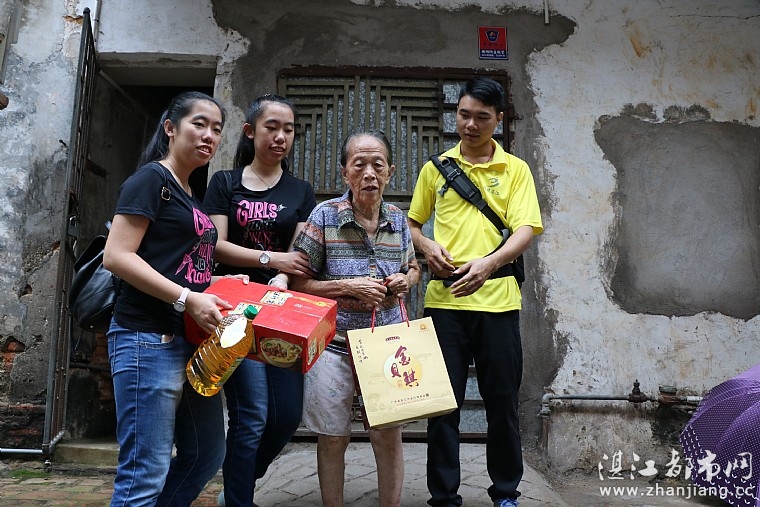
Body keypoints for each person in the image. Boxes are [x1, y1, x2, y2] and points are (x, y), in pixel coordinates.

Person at [407, 76, 543, 507]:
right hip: (444, 302)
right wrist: (426, 245)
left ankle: (505, 492)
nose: (470, 125)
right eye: (463, 115)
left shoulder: (515, 169)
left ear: (498, 120)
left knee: (502, 403)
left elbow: (525, 229)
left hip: (499, 303)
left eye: (481, 117)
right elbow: (411, 223)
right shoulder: (436, 168)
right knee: (441, 405)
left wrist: (489, 263)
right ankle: (444, 497)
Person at [103, 91, 237, 507]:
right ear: (170, 128)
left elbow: (177, 266)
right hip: (146, 339)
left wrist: (220, 282)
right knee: (144, 473)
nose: (209, 135)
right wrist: (186, 298)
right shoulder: (151, 180)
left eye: (217, 129)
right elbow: (116, 256)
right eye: (199, 124)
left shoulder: (188, 193)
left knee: (205, 454)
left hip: (188, 341)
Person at [290, 130, 421, 507]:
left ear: (390, 172)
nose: (369, 173)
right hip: (333, 346)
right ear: (345, 172)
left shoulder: (397, 219)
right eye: (359, 164)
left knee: (388, 435)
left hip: (387, 348)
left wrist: (406, 280)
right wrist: (349, 287)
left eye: (377, 165)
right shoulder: (324, 216)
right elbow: (299, 284)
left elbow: (413, 268)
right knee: (333, 437)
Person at [203, 94, 316, 507]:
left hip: (282, 310)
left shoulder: (301, 191)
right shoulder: (224, 183)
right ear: (251, 132)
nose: (281, 136)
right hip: (234, 308)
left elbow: (299, 255)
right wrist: (271, 259)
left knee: (286, 416)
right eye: (272, 127)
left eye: (288, 129)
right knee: (251, 416)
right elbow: (216, 246)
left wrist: (283, 273)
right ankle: (239, 499)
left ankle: (240, 480)